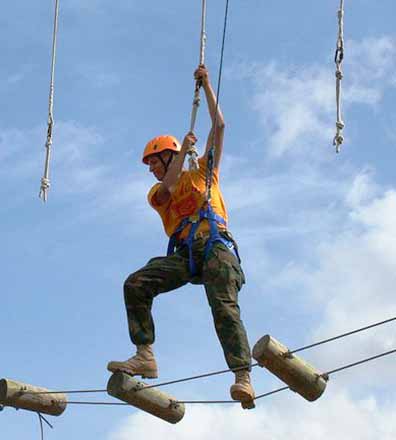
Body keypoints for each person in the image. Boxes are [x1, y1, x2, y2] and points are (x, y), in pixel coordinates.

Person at [108, 65, 255, 408]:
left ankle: (242, 375)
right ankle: (145, 353)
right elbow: (168, 187)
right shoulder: (157, 193)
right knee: (136, 283)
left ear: (167, 155)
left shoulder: (204, 174)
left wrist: (205, 87)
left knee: (224, 308)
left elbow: (219, 126)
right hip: (186, 256)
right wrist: (181, 152)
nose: (150, 169)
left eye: (154, 162)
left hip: (216, 247)